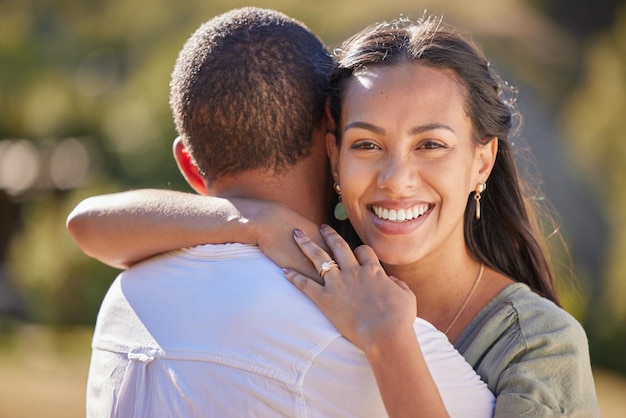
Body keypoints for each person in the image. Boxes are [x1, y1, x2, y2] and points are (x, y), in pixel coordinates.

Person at [70, 8, 496, 418]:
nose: (397, 178)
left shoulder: (124, 301)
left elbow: (83, 223)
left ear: (188, 165)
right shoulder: (387, 341)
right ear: (334, 139)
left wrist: (255, 222)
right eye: (368, 143)